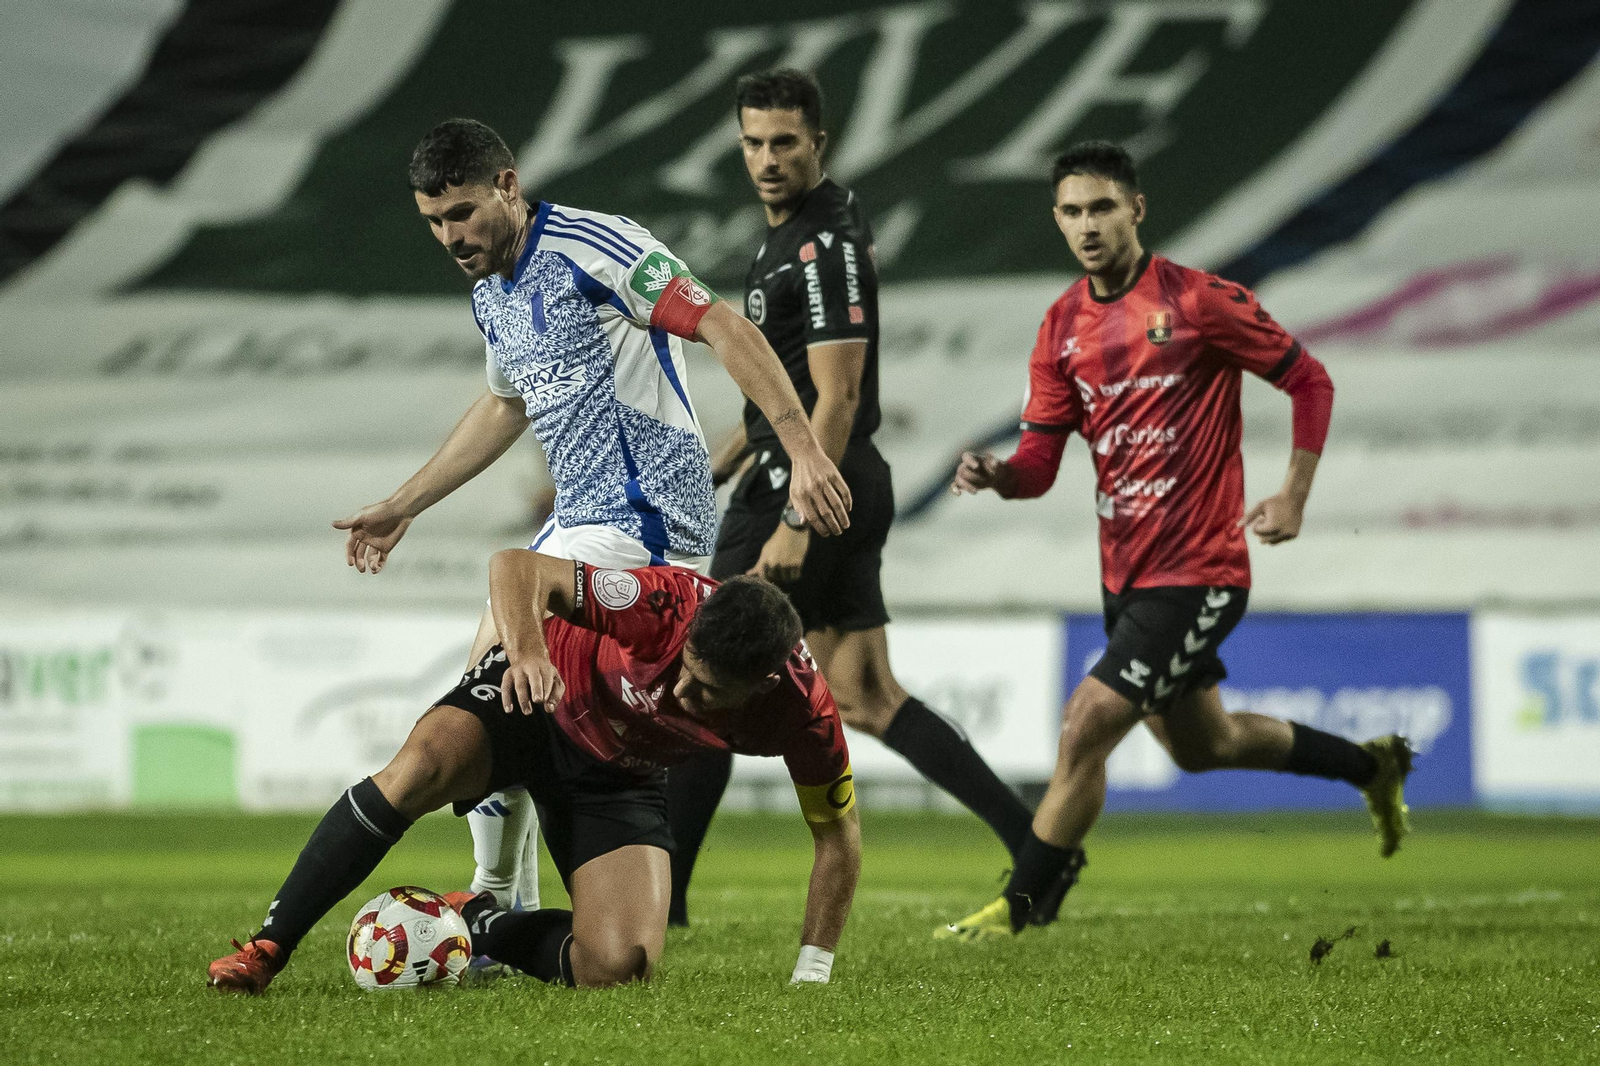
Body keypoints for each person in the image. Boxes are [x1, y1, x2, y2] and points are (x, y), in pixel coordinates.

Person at [330, 118, 852, 919]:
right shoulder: (492, 292)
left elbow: (721, 323)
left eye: (462, 213)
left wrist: (804, 448)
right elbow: (507, 405)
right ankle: (503, 909)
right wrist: (406, 504)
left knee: (491, 696)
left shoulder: (595, 246)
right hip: (580, 517)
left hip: (647, 515)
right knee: (497, 695)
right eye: (434, 222)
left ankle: (501, 906)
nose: (450, 236)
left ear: (508, 184)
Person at [940, 141, 1411, 940]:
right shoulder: (1060, 326)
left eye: (1102, 208)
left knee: (1085, 721)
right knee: (1206, 744)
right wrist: (999, 476)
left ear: (1136, 209)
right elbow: (1042, 466)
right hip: (1124, 575)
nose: (1087, 225)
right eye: (1072, 211)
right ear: (1056, 219)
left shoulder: (1200, 301)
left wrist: (1293, 495)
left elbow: (1309, 379)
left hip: (1201, 568)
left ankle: (1017, 910)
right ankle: (1373, 766)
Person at [665, 70, 1032, 928]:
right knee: (867, 693)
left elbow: (835, 395)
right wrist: (728, 454)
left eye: (784, 142)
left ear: (818, 145)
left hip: (810, 487)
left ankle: (665, 902)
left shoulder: (822, 242)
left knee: (702, 665)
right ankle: (1037, 847)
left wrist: (794, 513)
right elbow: (786, 390)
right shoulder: (793, 232)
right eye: (752, 142)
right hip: (832, 476)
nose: (765, 159)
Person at [206, 552, 861, 992]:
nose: (683, 695)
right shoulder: (665, 602)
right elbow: (515, 566)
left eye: (709, 693)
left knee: (620, 964)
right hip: (536, 702)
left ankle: (481, 920)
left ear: (766, 682)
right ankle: (268, 948)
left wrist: (813, 971)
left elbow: (838, 838)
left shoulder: (804, 714)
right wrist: (524, 653)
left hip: (618, 775)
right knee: (419, 769)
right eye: (685, 669)